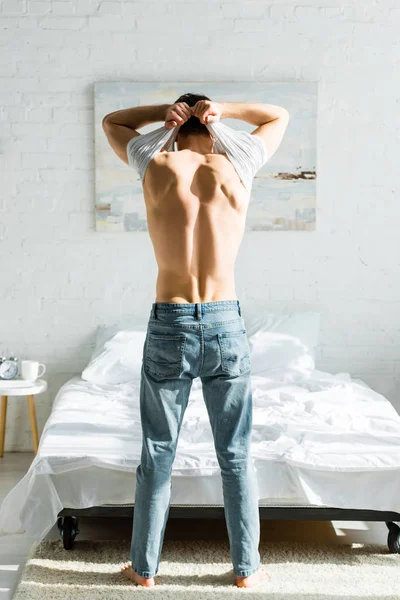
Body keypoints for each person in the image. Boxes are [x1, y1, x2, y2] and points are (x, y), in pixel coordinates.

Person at [102, 94, 289, 588]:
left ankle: (144, 570)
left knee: (158, 453)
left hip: (171, 320)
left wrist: (169, 111)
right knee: (235, 456)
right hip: (226, 321)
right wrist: (222, 107)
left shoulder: (155, 162)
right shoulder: (241, 164)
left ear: (176, 126)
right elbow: (277, 116)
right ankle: (247, 570)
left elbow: (113, 121)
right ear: (211, 124)